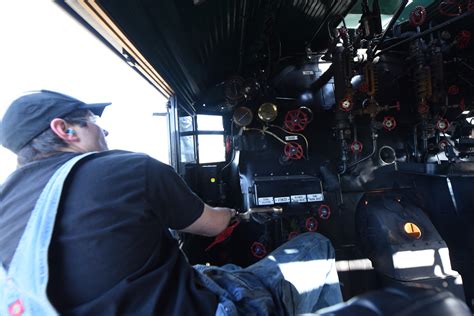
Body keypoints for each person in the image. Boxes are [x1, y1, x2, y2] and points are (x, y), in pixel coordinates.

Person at [0, 90, 342, 315]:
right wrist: (236, 213)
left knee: (209, 271)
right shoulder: (122, 168)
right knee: (316, 245)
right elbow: (215, 224)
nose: (105, 134)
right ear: (65, 130)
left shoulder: (5, 207)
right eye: (94, 123)